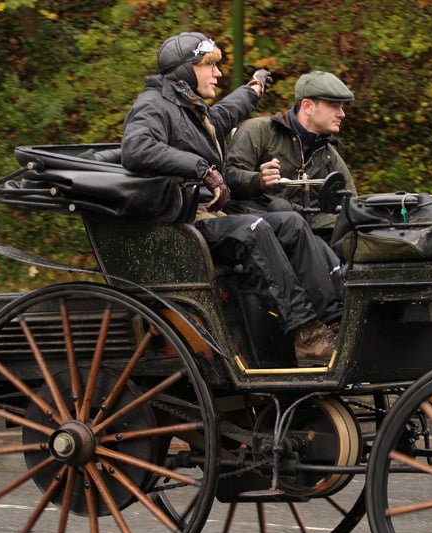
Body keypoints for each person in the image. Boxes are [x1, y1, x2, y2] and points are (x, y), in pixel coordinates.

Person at [121, 32, 343, 362]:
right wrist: (201, 168)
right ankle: (305, 332)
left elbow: (224, 114)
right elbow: (136, 148)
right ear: (185, 69)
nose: (218, 73)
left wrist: (254, 89)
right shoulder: (153, 105)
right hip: (181, 222)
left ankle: (336, 320)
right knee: (255, 229)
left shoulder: (189, 108)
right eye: (210, 65)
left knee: (291, 223)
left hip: (210, 218)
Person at [225, 71, 357, 233]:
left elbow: (351, 205)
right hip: (257, 232)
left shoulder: (329, 155)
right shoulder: (258, 131)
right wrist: (258, 181)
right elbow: (226, 177)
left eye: (342, 107)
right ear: (308, 107)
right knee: (281, 208)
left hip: (305, 236)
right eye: (334, 106)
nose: (342, 114)